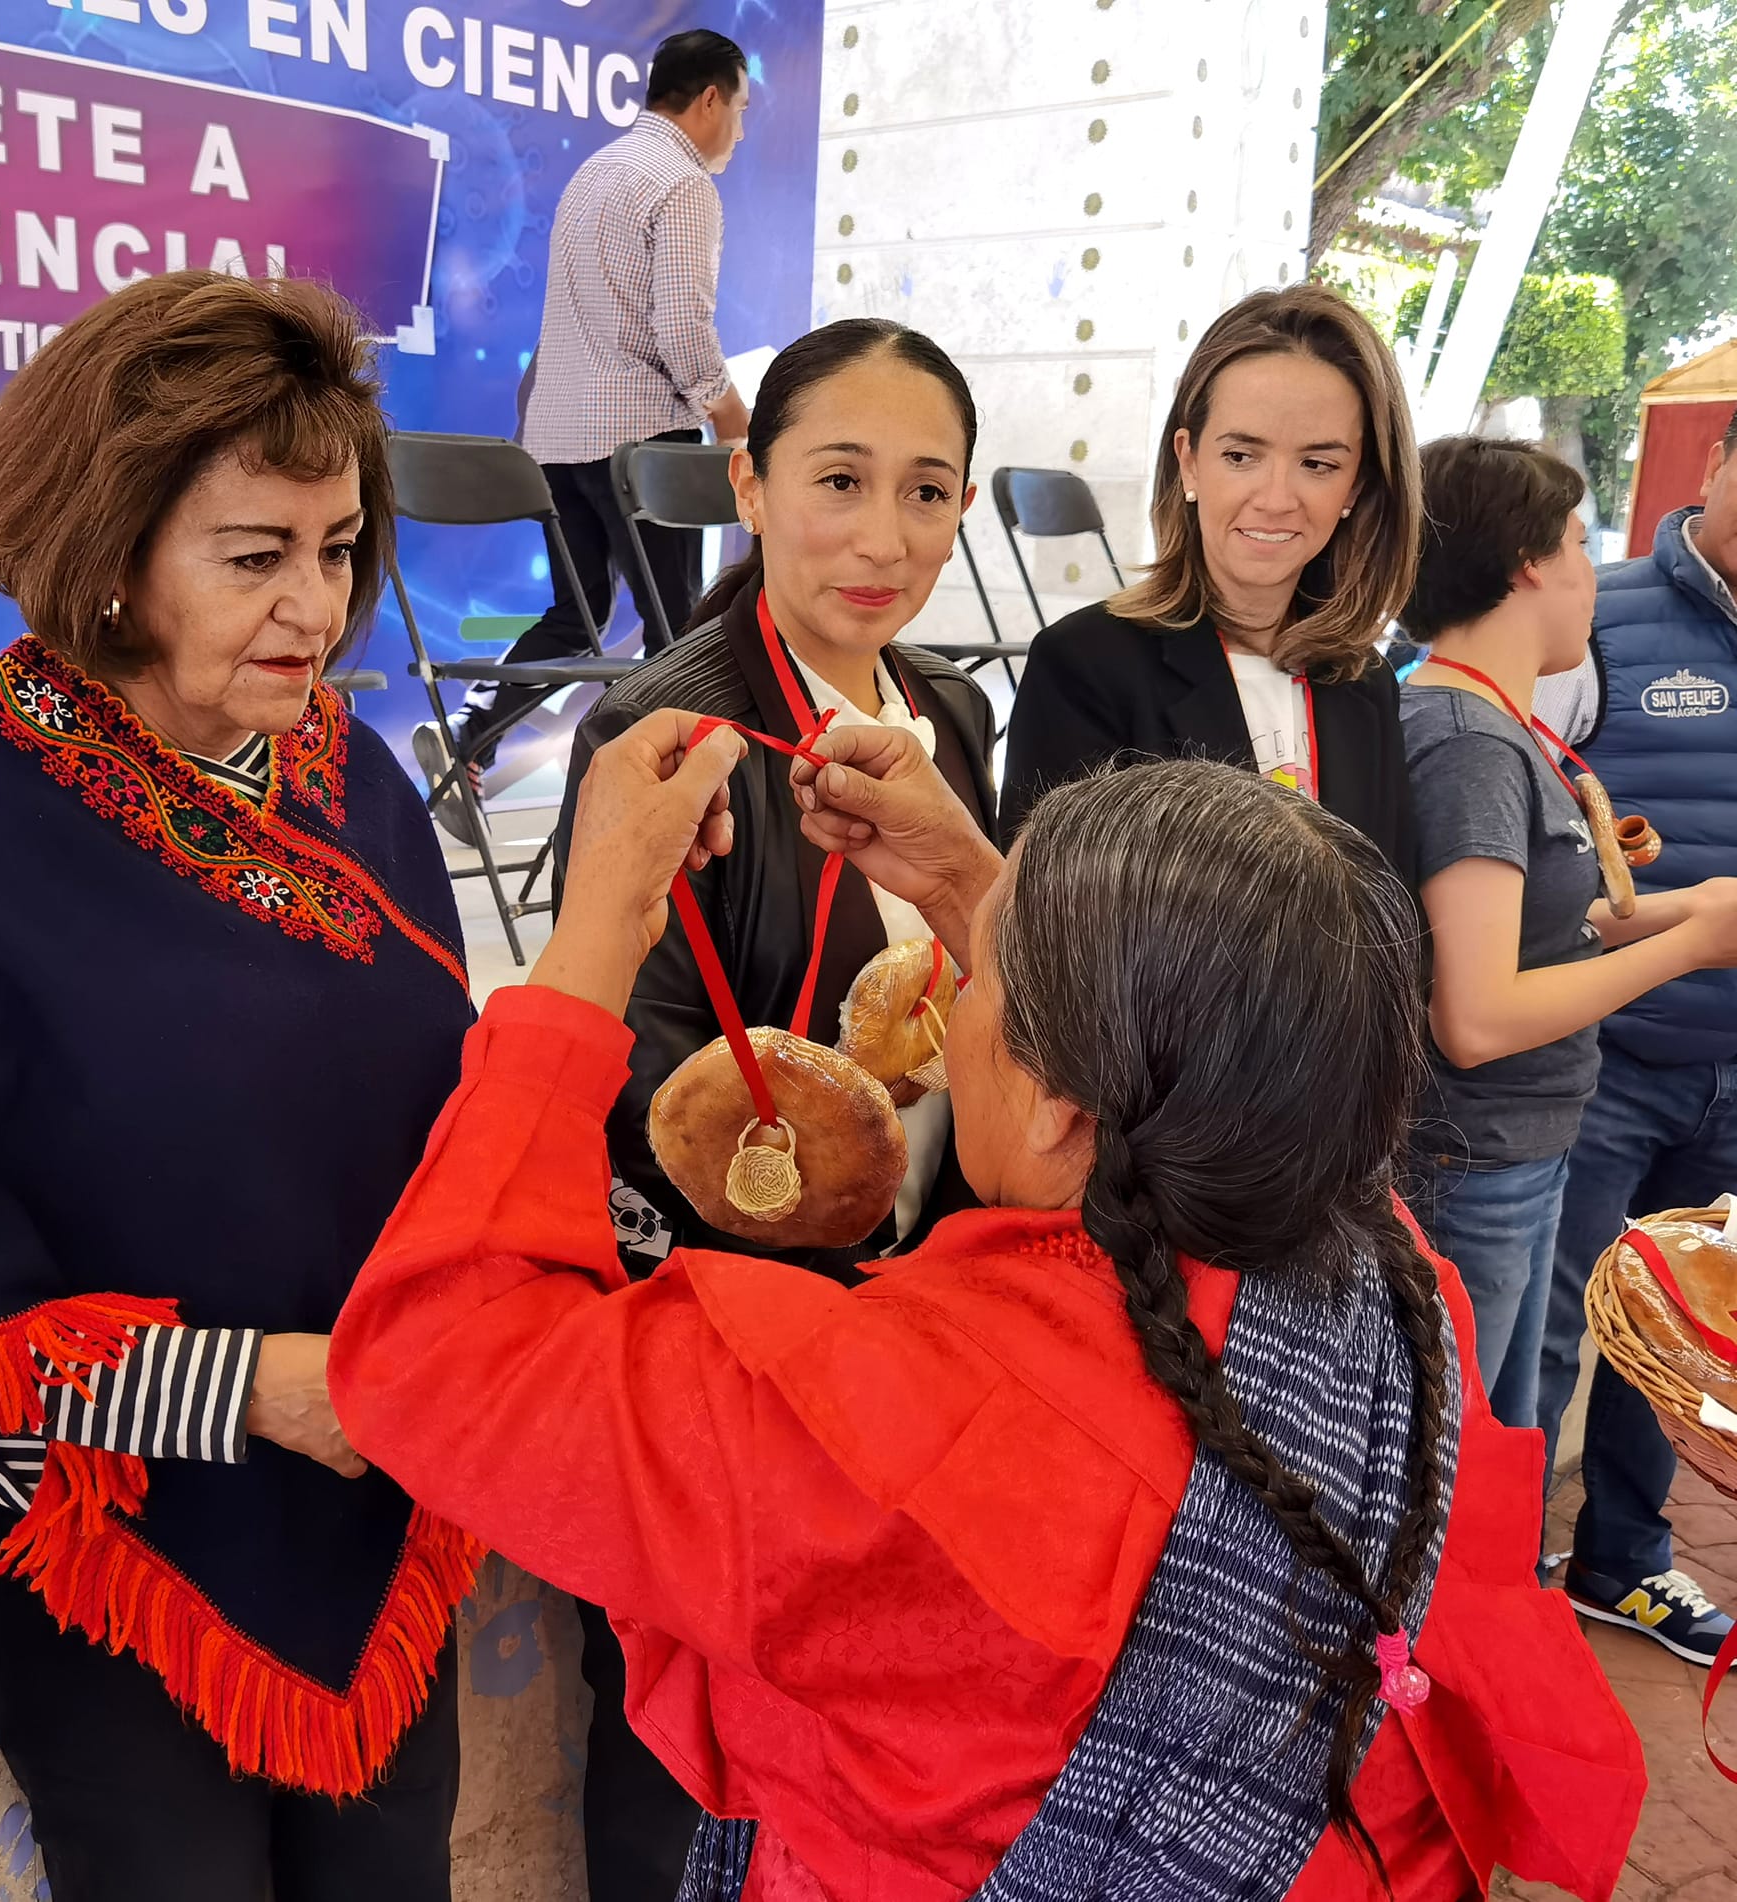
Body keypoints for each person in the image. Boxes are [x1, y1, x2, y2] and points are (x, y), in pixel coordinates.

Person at [330, 714, 1644, 1902]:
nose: (958, 1000)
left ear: (1067, 1103)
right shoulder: (1384, 1264)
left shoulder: (886, 1430)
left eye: (985, 981)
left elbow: (441, 1355)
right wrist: (971, 883)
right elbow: (1165, 1044)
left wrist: (600, 915)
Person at [0, 273, 482, 1900]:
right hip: (105, 1530)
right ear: (112, 560)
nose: (314, 608)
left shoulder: (358, 780)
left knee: (393, 1870)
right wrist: (253, 1389)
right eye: (253, 556)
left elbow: (445, 1117)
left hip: (375, 1482)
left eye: (335, 550)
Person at [541, 315, 995, 1902]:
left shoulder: (951, 704)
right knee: (685, 1716)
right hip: (737, 1328)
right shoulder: (671, 731)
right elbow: (632, 1085)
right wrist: (808, 1309)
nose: (884, 536)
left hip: (920, 1296)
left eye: (928, 491)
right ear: (746, 476)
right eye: (839, 479)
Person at [1400, 437, 1737, 1431]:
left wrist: (1683, 906)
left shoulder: (1478, 721)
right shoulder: (1465, 742)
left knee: (1498, 1440)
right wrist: (1681, 948)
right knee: (1461, 1457)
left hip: (1510, 1148)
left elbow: (1512, 926)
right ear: (1526, 565)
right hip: (1478, 1158)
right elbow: (1475, 1012)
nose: (1592, 575)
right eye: (1578, 546)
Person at [413, 27, 754, 835]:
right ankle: (642, 811)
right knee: (677, 635)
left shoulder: (596, 170)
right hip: (641, 443)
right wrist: (739, 423)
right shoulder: (681, 183)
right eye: (739, 109)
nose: (739, 130)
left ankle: (470, 733)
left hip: (560, 439)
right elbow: (681, 326)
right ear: (708, 100)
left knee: (581, 614)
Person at [1529, 404, 1737, 1665]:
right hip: (1604, 1061)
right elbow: (1521, 825)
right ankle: (1487, 1582)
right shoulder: (1588, 618)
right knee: (1541, 1335)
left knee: (1681, 1337)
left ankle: (1621, 1562)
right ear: (1715, 464)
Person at [999, 283, 1420, 885]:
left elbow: (1395, 919)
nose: (1276, 499)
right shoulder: (1084, 666)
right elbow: (1043, 930)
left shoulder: (1366, 683)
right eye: (1241, 456)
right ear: (1189, 460)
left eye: (1318, 464)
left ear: (1355, 486)